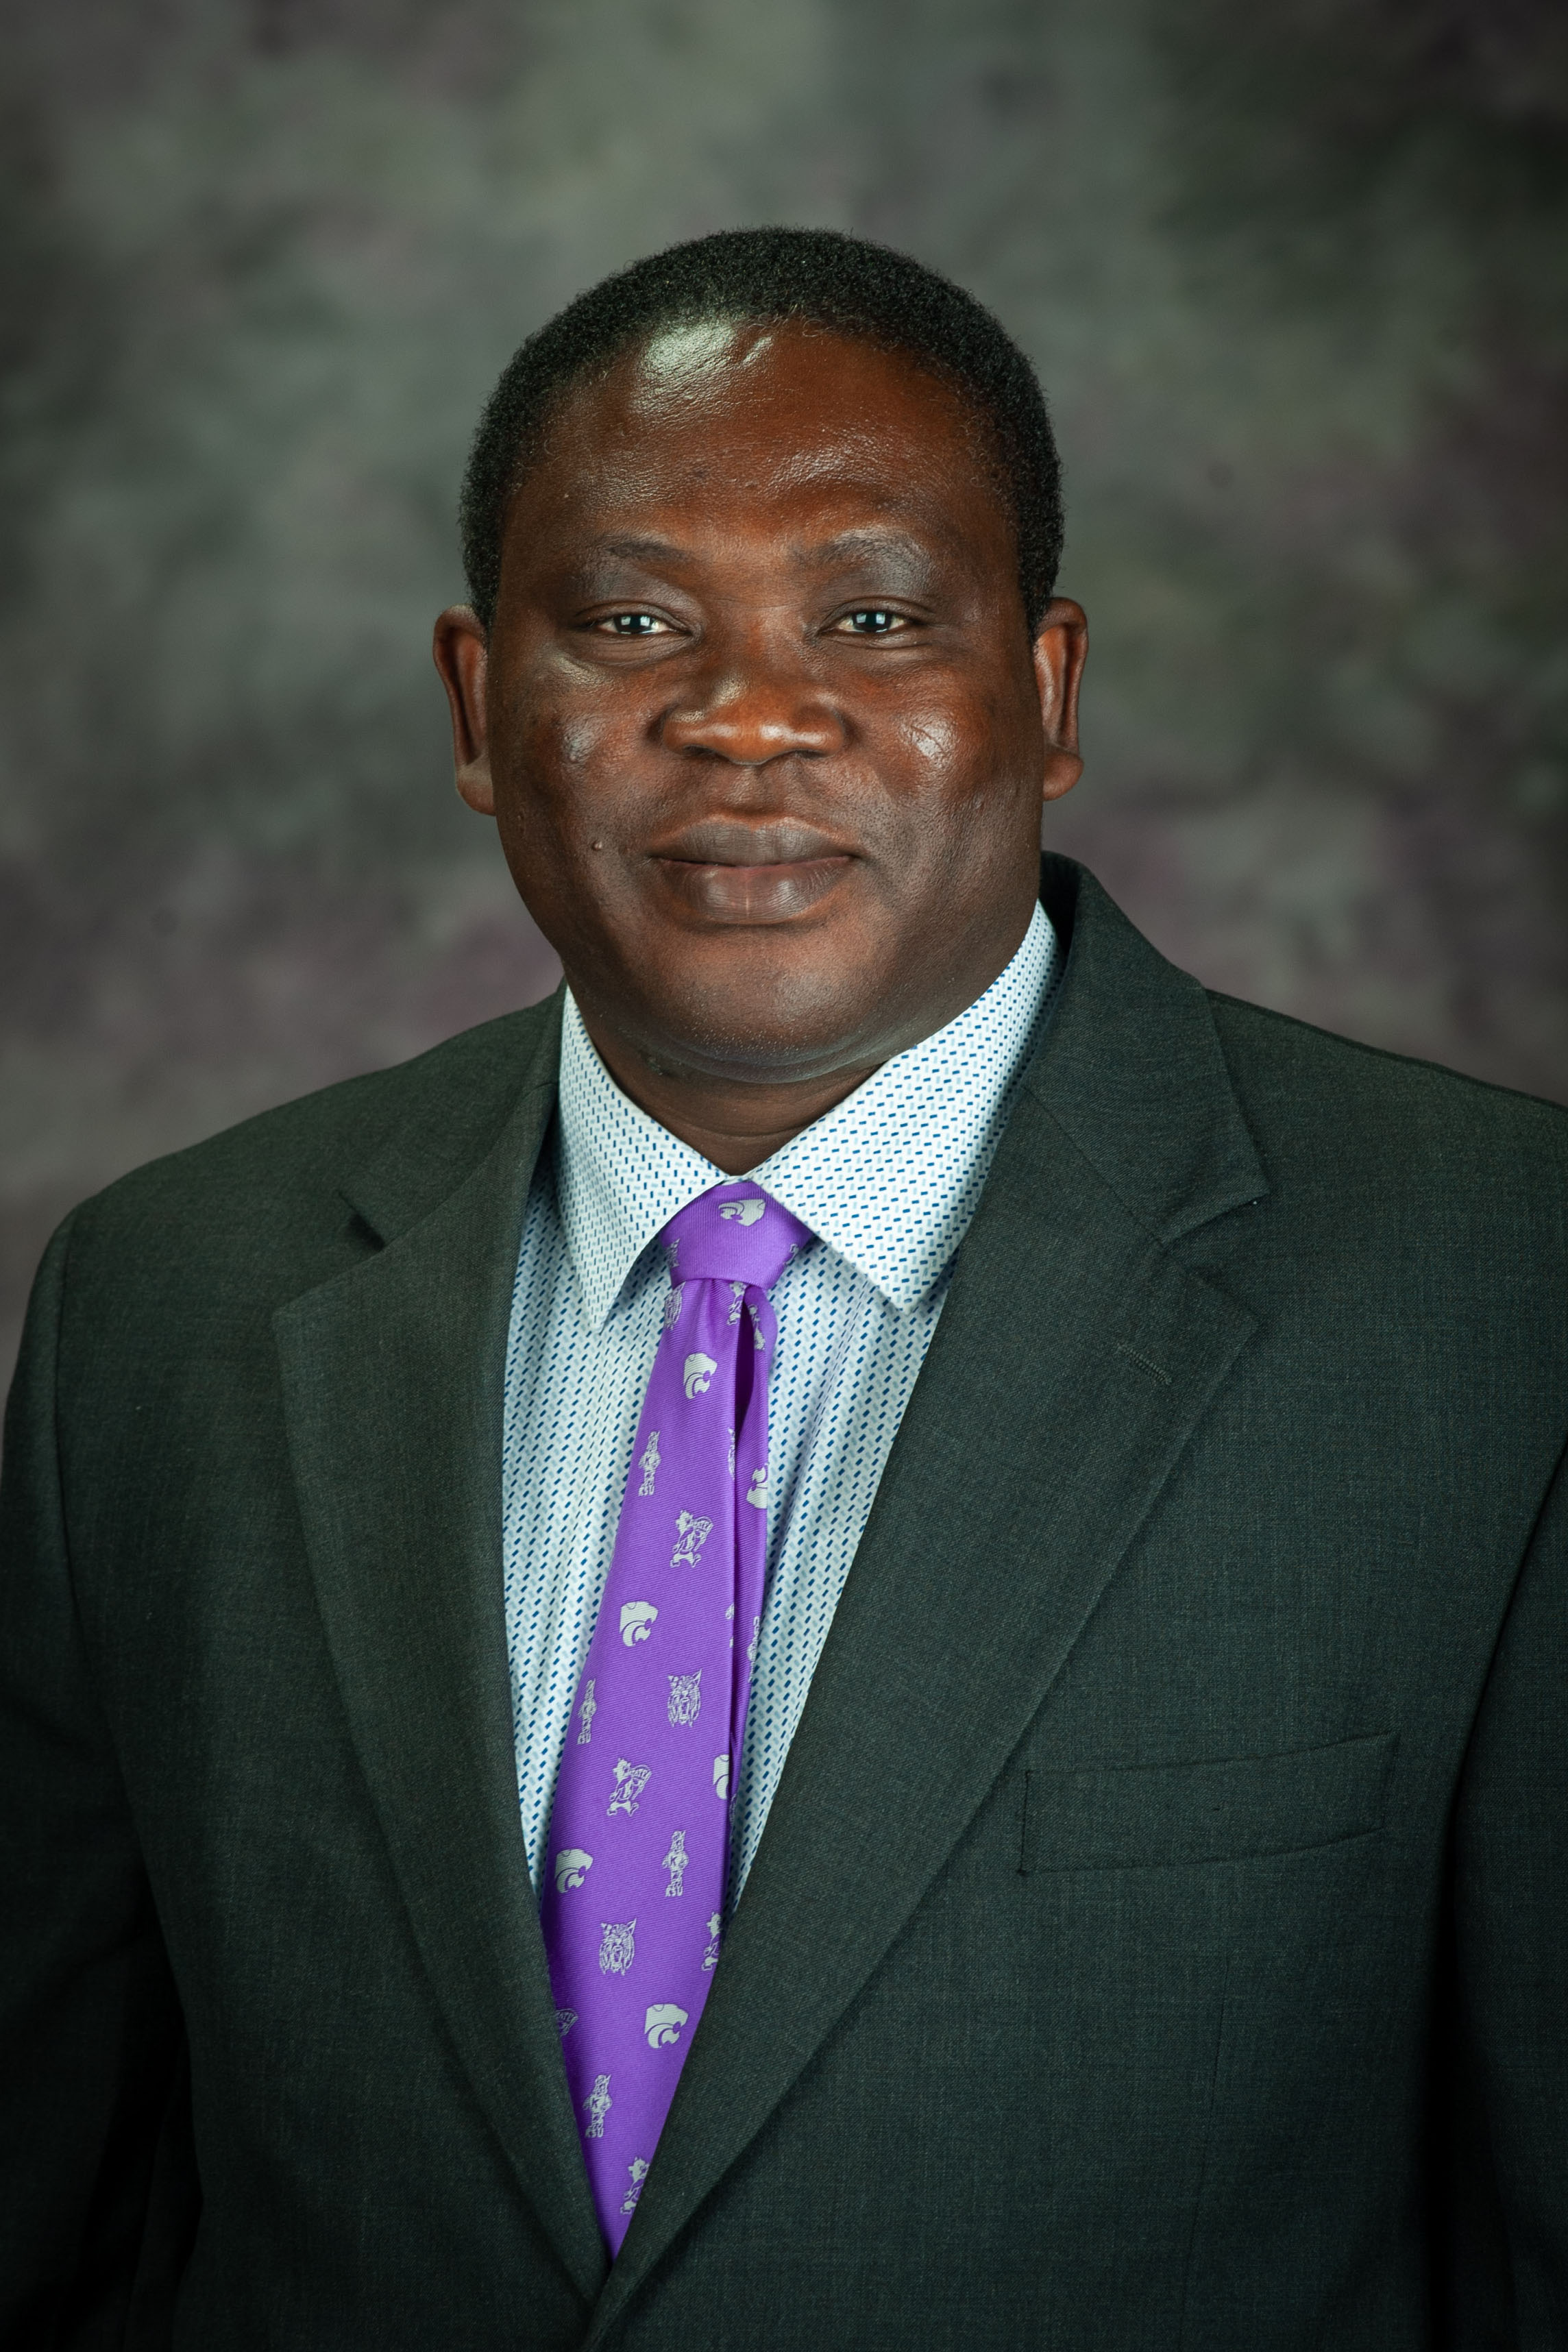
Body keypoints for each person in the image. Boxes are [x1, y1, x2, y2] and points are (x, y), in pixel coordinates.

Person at [1, 227, 1563, 2352]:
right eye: (634, 618)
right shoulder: (162, 1310)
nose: (746, 715)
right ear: (480, 709)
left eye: (874, 614)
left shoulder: (1496, 1297)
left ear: (1044, 688)